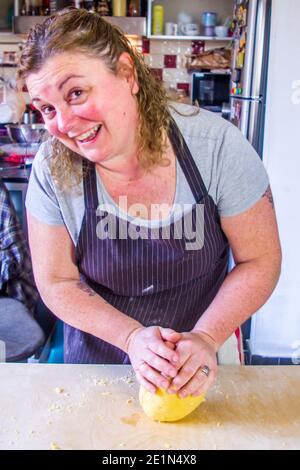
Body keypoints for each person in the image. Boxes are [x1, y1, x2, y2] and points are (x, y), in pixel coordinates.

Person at [19, 8, 281, 397]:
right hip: (98, 363)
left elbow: (260, 260)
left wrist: (206, 336)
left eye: (76, 93)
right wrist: (130, 338)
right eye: (47, 109)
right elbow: (57, 281)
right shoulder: (52, 170)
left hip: (200, 362)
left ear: (127, 75)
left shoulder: (216, 148)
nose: (64, 124)